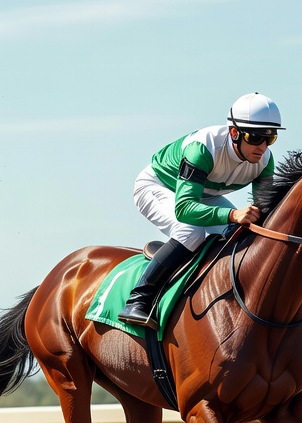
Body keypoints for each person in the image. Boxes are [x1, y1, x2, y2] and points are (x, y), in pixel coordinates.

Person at [118, 93, 283, 327]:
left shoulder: (265, 160)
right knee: (190, 232)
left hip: (204, 195)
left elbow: (264, 213)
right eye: (255, 137)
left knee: (243, 234)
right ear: (234, 133)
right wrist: (233, 214)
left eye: (270, 138)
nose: (263, 147)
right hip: (158, 186)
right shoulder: (203, 148)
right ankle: (139, 299)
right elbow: (185, 208)